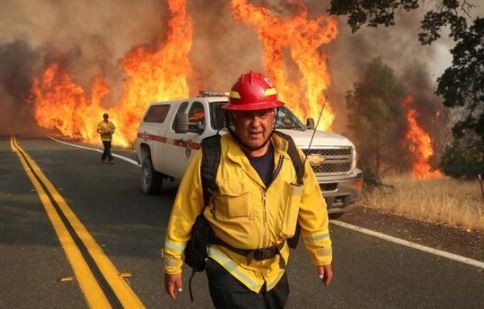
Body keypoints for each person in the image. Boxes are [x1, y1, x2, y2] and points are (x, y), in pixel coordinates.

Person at [163, 71, 333, 308]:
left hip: (275, 270)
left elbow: (312, 207)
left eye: (263, 114)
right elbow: (183, 212)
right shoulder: (212, 157)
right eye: (247, 116)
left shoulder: (290, 155)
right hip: (230, 269)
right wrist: (173, 264)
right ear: (233, 118)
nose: (256, 124)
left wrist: (322, 255)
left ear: (274, 116)